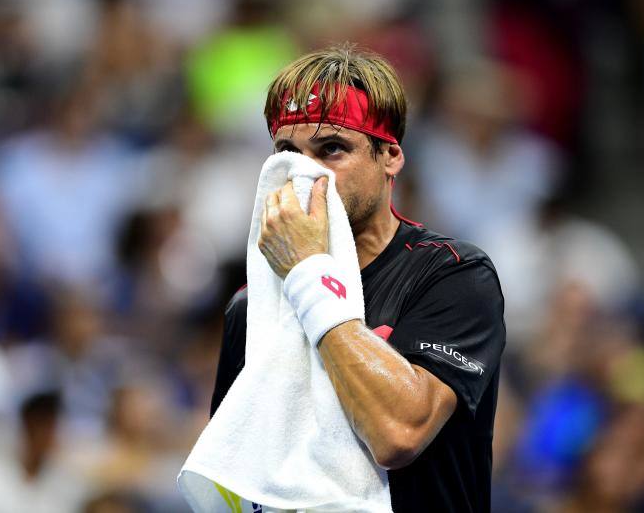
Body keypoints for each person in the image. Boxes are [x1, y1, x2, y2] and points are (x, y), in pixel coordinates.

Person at [210, 45, 506, 512]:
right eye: (287, 152)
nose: (304, 173)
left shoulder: (453, 274)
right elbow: (240, 475)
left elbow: (399, 433)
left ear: (389, 156)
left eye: (332, 149)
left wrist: (308, 271)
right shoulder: (252, 307)